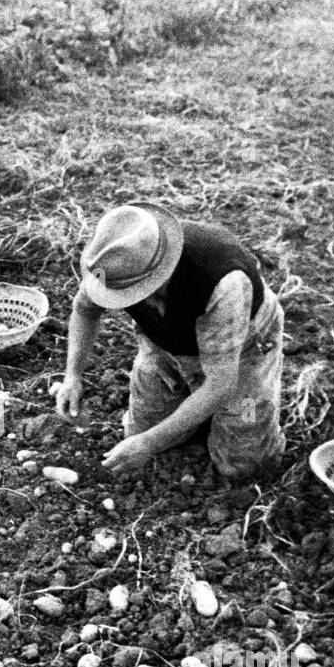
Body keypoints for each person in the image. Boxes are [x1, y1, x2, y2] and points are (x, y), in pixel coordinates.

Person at [54, 203, 286, 481]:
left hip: (244, 351)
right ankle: (194, 405)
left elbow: (221, 383)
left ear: (159, 274)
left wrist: (150, 443)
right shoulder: (109, 264)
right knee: (140, 430)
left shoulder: (222, 282)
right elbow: (85, 310)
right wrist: (73, 375)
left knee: (243, 463)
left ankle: (228, 413)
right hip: (166, 345)